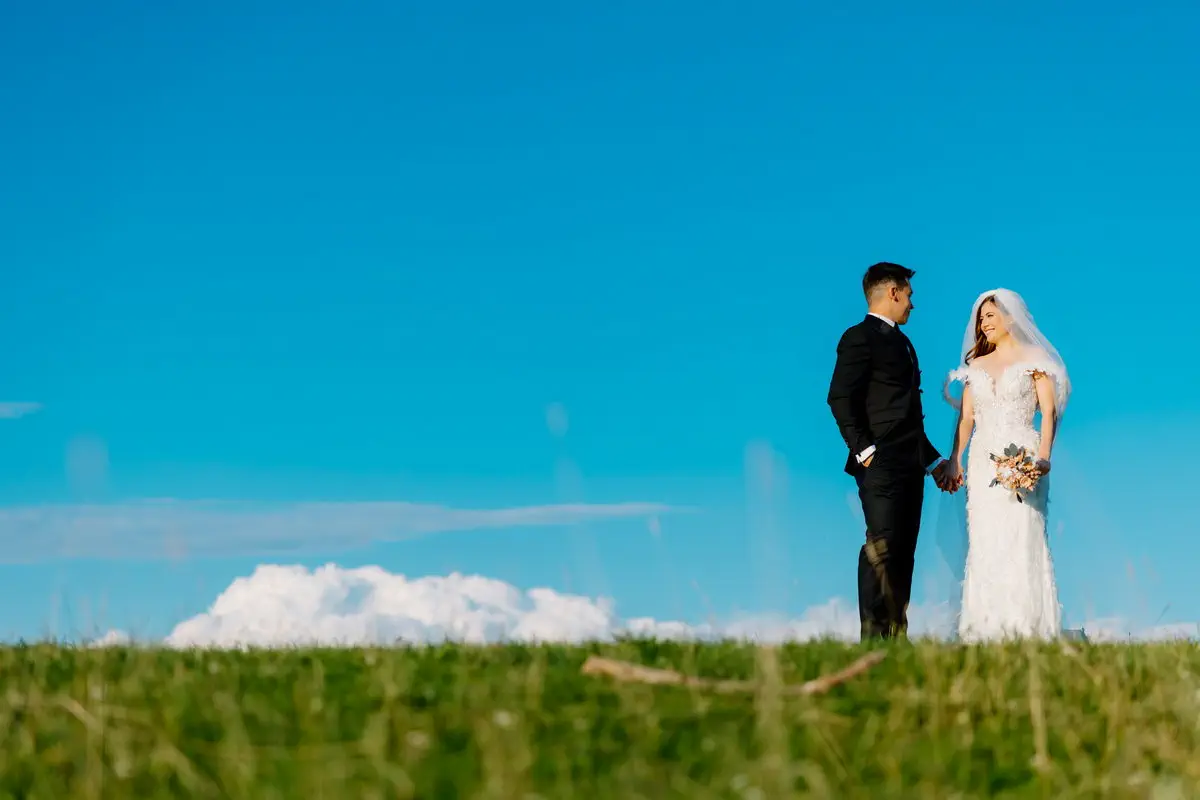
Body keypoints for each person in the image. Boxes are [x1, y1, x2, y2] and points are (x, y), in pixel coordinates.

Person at [827, 262, 956, 640]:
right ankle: (872, 638)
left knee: (904, 550)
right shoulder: (857, 337)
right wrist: (864, 449)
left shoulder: (904, 343)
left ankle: (897, 637)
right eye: (909, 295)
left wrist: (933, 461)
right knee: (881, 543)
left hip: (911, 463)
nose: (912, 304)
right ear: (893, 292)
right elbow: (839, 397)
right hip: (879, 462)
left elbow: (908, 415)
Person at [942, 289, 1068, 641]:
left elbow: (1049, 410)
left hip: (1024, 457)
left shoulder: (1034, 357)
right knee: (986, 539)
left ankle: (1028, 630)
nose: (984, 323)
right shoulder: (976, 366)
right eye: (981, 318)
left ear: (1011, 317)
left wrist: (1043, 455)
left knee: (1022, 534)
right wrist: (955, 459)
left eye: (991, 316)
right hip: (983, 460)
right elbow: (967, 418)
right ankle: (985, 630)